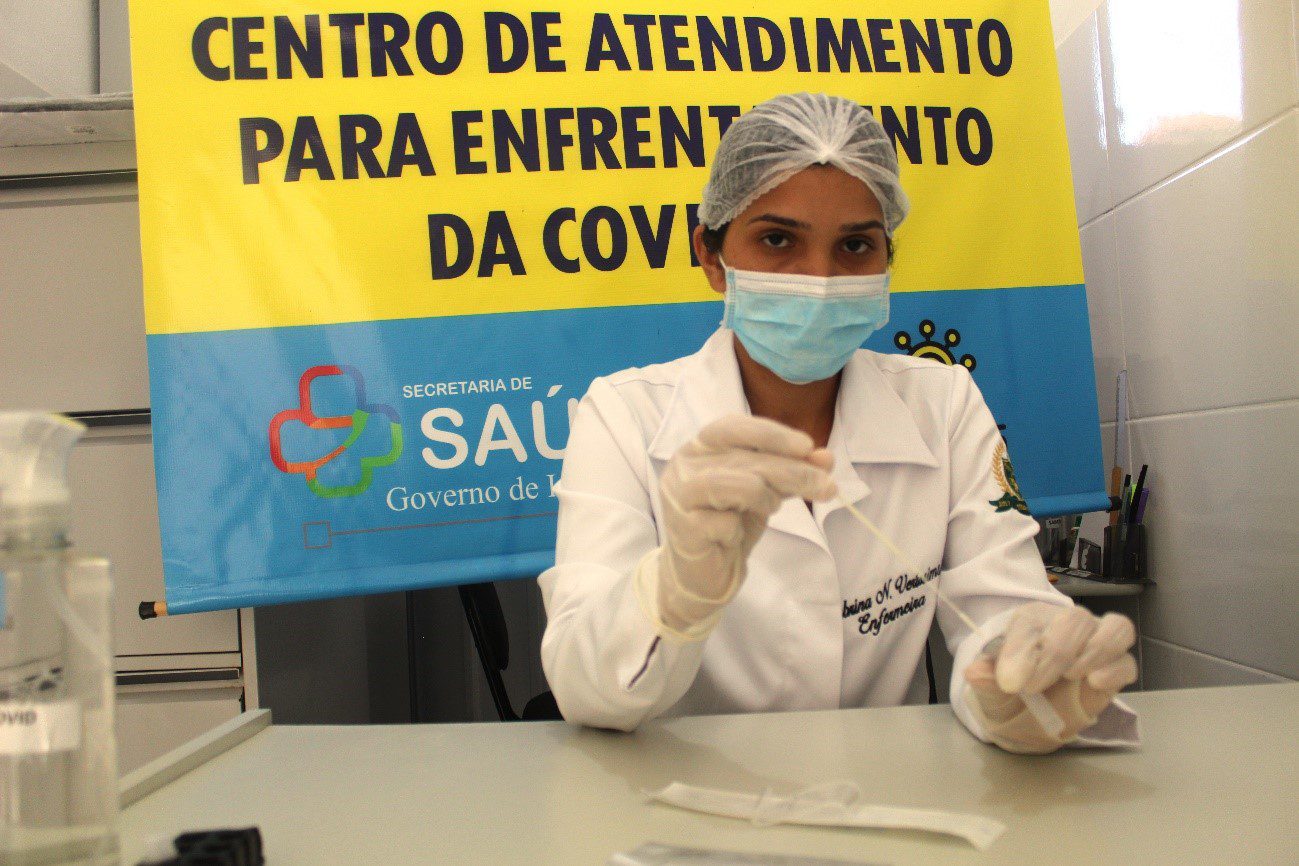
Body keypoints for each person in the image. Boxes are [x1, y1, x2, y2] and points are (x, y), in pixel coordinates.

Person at [538, 93, 1138, 754]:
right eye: (777, 240)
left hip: (891, 792)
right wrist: (672, 591)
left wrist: (1017, 685)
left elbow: (1002, 608)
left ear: (885, 261)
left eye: (854, 245)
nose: (820, 279)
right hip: (687, 798)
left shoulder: (941, 403)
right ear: (711, 256)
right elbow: (583, 687)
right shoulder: (623, 416)